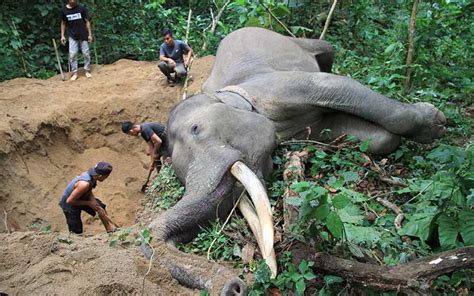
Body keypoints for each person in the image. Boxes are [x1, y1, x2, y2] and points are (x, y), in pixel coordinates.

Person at [59, 161, 116, 234]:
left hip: (81, 197)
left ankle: (110, 230)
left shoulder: (93, 176)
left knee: (101, 207)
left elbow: (88, 191)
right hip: (69, 204)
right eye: (106, 177)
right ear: (100, 176)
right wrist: (89, 203)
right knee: (76, 231)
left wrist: (95, 204)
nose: (106, 178)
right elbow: (70, 201)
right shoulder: (84, 184)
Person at [60, 0, 93, 81]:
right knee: (73, 54)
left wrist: (90, 34)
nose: (74, 1)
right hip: (72, 35)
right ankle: (75, 73)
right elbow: (63, 23)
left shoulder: (81, 9)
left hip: (83, 34)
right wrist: (62, 36)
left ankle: (87, 70)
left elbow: (87, 22)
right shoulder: (64, 11)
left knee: (86, 53)